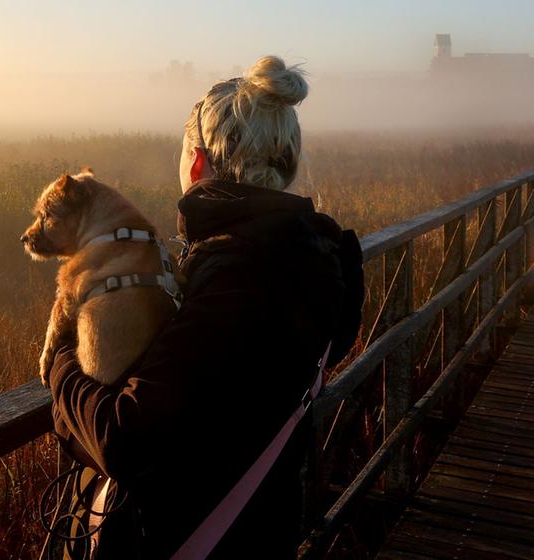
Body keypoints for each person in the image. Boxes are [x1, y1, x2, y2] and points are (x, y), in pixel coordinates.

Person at [47, 56, 365, 559]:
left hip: (188, 535)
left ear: (197, 163)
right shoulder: (318, 258)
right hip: (264, 523)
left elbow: (123, 438)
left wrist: (62, 358)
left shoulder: (237, 276)